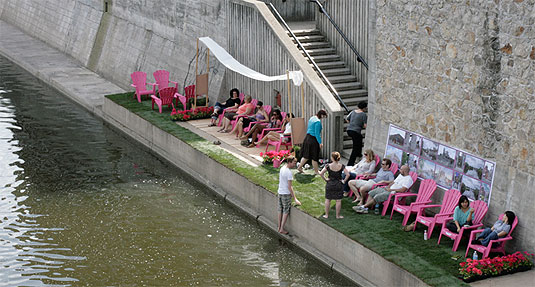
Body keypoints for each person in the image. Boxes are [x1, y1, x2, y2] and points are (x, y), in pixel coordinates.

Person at [320, 152, 350, 219]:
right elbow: (348, 174)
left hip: (330, 184)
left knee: (328, 200)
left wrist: (326, 179)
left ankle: (326, 215)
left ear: (332, 158)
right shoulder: (341, 166)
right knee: (338, 200)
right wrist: (344, 181)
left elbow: (321, 173)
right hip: (338, 184)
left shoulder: (328, 166)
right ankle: (338, 216)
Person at [297, 110, 328, 175]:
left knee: (306, 155)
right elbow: (317, 134)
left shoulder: (312, 118)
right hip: (313, 140)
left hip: (307, 138)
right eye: (324, 117)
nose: (323, 118)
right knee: (314, 156)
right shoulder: (318, 122)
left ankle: (300, 167)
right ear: (322, 115)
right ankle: (316, 171)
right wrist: (320, 142)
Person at [277, 156, 301, 235]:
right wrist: (295, 198)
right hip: (286, 194)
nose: (295, 164)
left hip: (280, 192)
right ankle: (281, 228)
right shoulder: (289, 173)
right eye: (294, 163)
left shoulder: (282, 168)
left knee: (280, 209)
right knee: (286, 211)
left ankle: (279, 226)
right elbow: (290, 187)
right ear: (290, 162)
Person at [345, 101, 368, 166]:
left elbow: (347, 119)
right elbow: (365, 125)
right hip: (356, 131)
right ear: (364, 108)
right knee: (355, 147)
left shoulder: (352, 112)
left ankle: (359, 154)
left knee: (360, 139)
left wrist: (353, 122)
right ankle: (350, 163)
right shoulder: (363, 114)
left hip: (349, 130)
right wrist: (360, 125)